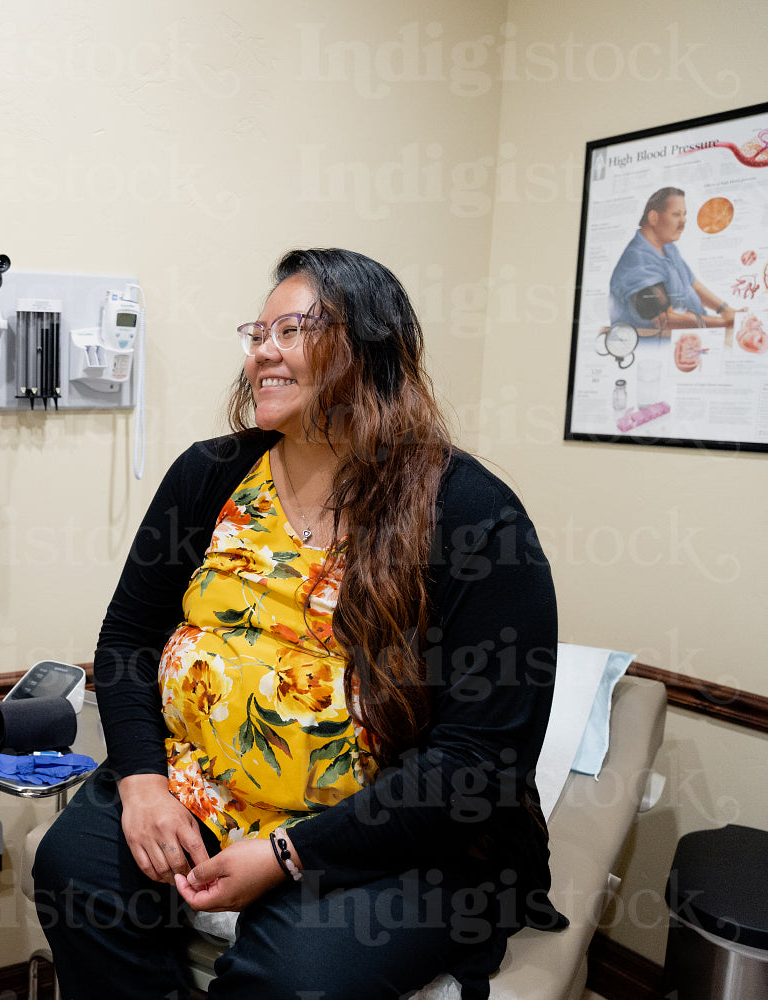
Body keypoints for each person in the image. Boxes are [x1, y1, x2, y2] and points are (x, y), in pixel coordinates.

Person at [33, 248, 564, 1000]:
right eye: (259, 332)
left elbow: (477, 763)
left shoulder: (474, 518)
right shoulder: (209, 476)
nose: (262, 352)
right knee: (73, 874)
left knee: (296, 976)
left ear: (368, 353)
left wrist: (284, 854)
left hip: (394, 838)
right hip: (201, 788)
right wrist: (145, 785)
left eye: (294, 330)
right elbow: (126, 642)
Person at [609, 186, 736, 333]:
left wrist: (725, 309)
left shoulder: (667, 246)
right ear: (653, 218)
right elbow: (665, 320)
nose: (683, 223)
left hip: (693, 336)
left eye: (684, 215)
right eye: (676, 215)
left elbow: (692, 284)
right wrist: (723, 323)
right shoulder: (636, 262)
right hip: (653, 347)